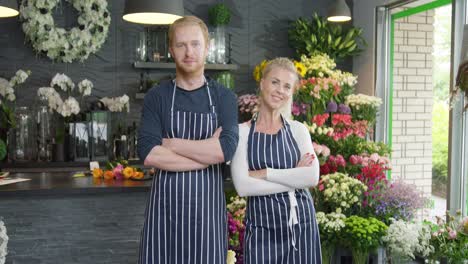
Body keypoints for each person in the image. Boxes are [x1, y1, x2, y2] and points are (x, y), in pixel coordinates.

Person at [137, 16, 239, 264]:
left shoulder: (224, 97)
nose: (188, 52)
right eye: (181, 45)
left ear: (207, 46)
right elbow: (149, 153)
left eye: (195, 44)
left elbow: (225, 150)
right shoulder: (157, 96)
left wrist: (171, 144)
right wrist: (206, 157)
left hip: (207, 219)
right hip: (165, 216)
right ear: (171, 50)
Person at [230, 58, 321, 263]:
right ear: (262, 83)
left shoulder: (298, 130)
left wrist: (264, 173)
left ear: (291, 92)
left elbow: (311, 176)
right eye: (275, 82)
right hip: (262, 228)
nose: (280, 90)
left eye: (287, 86)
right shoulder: (242, 133)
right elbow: (243, 187)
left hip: (300, 226)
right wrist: (293, 178)